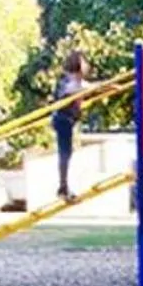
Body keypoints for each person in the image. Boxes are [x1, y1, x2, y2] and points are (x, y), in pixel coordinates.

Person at [51, 50, 89, 199]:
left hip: (66, 120)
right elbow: (78, 88)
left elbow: (87, 86)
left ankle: (64, 186)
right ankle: (63, 188)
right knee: (65, 153)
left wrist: (110, 86)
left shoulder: (74, 81)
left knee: (67, 153)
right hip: (63, 120)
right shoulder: (69, 81)